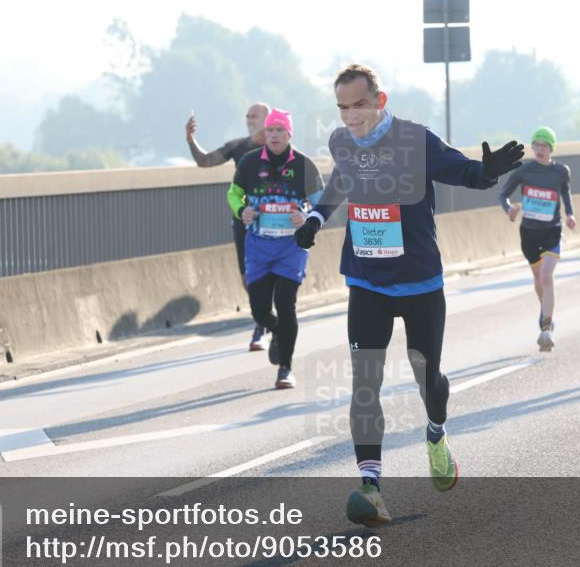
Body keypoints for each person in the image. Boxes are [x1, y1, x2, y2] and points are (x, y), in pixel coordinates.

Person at [294, 64, 524, 526]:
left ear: (379, 102)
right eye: (342, 108)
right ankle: (371, 488)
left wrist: (489, 172)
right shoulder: (342, 142)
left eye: (358, 105)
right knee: (365, 385)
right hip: (366, 282)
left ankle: (436, 433)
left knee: (428, 379)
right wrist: (318, 219)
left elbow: (464, 172)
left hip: (419, 282)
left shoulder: (414, 139)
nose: (350, 116)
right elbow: (341, 181)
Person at [227, 109, 323, 389]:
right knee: (259, 311)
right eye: (270, 131)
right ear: (264, 134)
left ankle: (285, 368)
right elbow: (233, 193)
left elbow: (322, 202)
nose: (274, 135)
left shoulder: (304, 165)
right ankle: (278, 332)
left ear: (289, 134)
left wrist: (306, 217)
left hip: (291, 248)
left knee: (285, 303)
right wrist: (241, 209)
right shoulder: (249, 162)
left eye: (280, 130)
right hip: (257, 247)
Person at [186, 102, 271, 351]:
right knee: (248, 278)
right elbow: (204, 161)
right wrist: (190, 139)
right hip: (243, 219)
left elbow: (299, 172)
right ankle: (265, 316)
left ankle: (262, 324)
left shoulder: (279, 145)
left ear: (268, 118)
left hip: (274, 219)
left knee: (272, 273)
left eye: (255, 116)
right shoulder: (239, 147)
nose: (249, 119)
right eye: (247, 116)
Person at [498, 126, 576, 352]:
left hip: (552, 230)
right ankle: (546, 308)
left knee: (547, 275)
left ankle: (546, 328)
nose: (540, 150)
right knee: (539, 279)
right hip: (529, 233)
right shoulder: (524, 170)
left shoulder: (561, 171)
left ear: (551, 148)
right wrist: (509, 209)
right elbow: (503, 195)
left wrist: (570, 215)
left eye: (544, 146)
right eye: (536, 146)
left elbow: (566, 194)